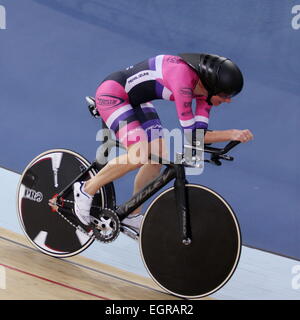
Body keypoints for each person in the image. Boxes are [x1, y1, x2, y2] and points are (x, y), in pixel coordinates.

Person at [70, 53, 254, 232]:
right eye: (224, 95)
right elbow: (191, 134)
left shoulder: (206, 96)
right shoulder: (182, 78)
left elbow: (199, 136)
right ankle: (86, 189)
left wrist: (220, 143)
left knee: (158, 159)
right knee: (139, 154)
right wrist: (231, 133)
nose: (228, 100)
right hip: (113, 95)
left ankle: (132, 214)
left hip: (139, 102)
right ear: (212, 86)